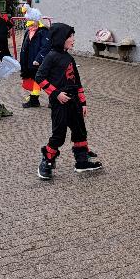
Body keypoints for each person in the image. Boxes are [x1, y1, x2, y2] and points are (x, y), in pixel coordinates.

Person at [35, 23, 102, 179]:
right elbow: (39, 77)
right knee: (59, 134)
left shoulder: (69, 57)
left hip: (74, 102)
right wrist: (56, 93)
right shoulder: (51, 57)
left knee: (80, 131)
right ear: (61, 39)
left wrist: (83, 103)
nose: (73, 39)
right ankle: (47, 161)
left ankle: (82, 162)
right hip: (60, 103)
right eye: (70, 36)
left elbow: (77, 82)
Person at [20, 8, 51, 108]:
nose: (29, 23)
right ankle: (34, 100)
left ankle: (53, 98)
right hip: (30, 61)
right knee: (35, 80)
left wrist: (38, 59)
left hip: (40, 62)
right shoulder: (28, 31)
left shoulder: (43, 32)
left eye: (31, 20)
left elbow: (45, 47)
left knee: (45, 80)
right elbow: (25, 46)